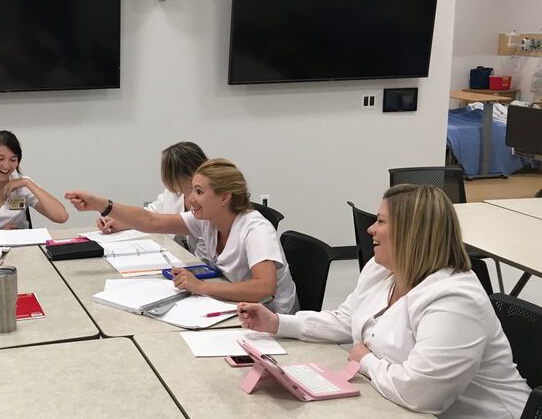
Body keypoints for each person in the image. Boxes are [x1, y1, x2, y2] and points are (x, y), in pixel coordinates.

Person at [239, 184, 531, 419]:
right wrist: (276, 322)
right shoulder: (382, 270)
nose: (370, 230)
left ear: (412, 233)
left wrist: (365, 361)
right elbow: (345, 320)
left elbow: (422, 393)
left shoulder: (455, 300)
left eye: (381, 221)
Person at [65, 158, 298, 314]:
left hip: (270, 315)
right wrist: (103, 205)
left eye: (199, 192)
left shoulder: (256, 230)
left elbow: (264, 288)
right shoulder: (207, 220)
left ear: (224, 197)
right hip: (234, 303)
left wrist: (202, 287)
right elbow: (151, 220)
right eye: (191, 190)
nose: (190, 199)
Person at [98, 141, 209, 258]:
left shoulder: (209, 205)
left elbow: (205, 261)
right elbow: (152, 213)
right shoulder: (175, 192)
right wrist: (123, 222)